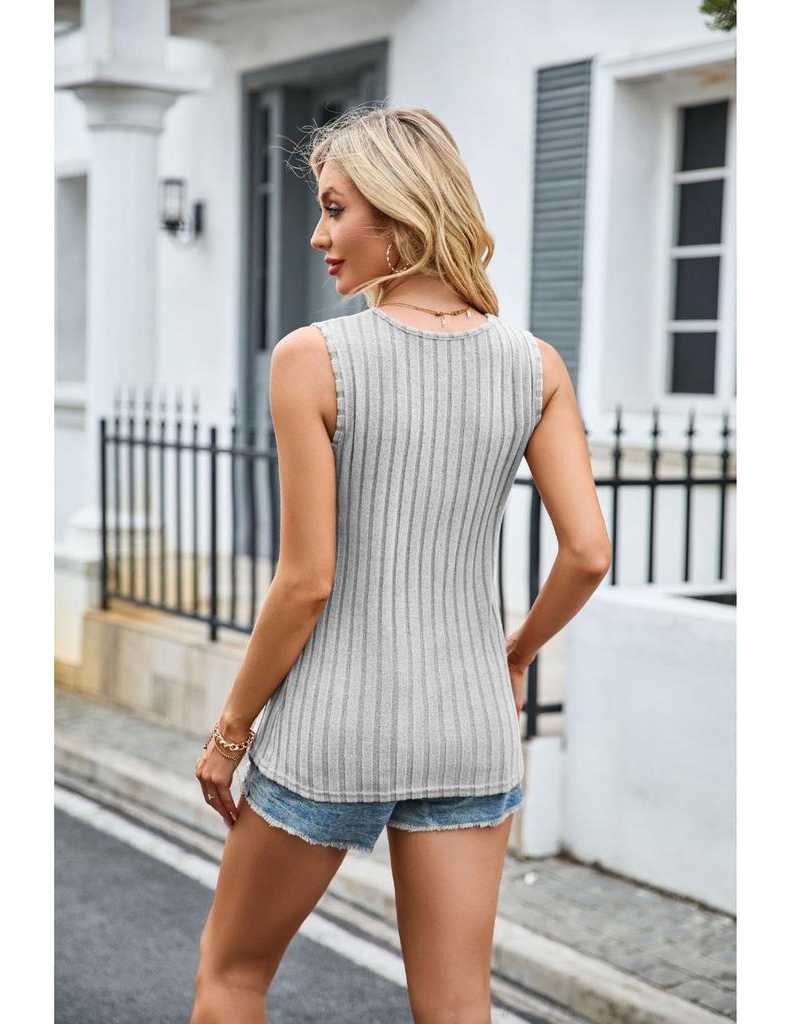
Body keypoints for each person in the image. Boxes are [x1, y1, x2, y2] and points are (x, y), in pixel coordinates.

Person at [189, 105, 611, 1024]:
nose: (318, 235)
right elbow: (588, 553)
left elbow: (307, 581)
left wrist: (230, 734)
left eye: (335, 208)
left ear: (400, 208)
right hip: (470, 730)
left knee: (233, 978)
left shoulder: (313, 358)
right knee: (456, 1007)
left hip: (331, 732)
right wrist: (514, 654)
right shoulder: (535, 365)